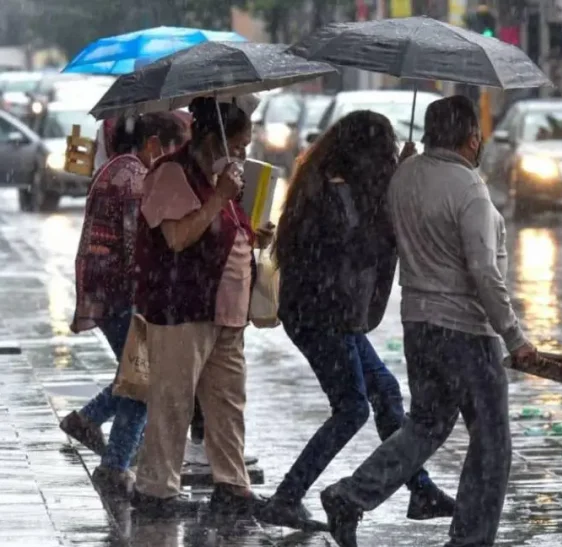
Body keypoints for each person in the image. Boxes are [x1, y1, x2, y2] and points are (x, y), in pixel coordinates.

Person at [318, 96, 538, 547]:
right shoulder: (469, 188)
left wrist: (404, 168)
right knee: (492, 443)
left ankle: (351, 495)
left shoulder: (404, 178)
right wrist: (514, 336)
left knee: (426, 426)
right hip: (467, 331)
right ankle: (470, 539)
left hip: (419, 326)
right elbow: (483, 270)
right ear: (472, 138)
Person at [259, 110, 455, 529]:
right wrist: (393, 192)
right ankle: (288, 496)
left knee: (384, 391)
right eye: (383, 150)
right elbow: (358, 249)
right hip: (320, 316)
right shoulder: (331, 192)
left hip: (331, 314)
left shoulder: (339, 184)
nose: (386, 158)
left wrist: (397, 180)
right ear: (364, 152)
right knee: (351, 409)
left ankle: (419, 491)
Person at [131, 96, 273, 517]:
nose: (244, 154)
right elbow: (178, 237)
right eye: (240, 145)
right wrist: (221, 196)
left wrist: (252, 236)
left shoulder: (220, 178)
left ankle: (231, 484)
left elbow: (221, 230)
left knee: (227, 403)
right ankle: (156, 489)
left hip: (226, 313)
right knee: (173, 401)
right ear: (214, 138)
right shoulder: (172, 174)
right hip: (182, 307)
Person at [63, 113, 187, 495]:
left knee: (136, 373)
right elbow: (138, 247)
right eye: (169, 149)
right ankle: (114, 463)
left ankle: (88, 420)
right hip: (121, 293)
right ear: (152, 143)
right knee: (143, 379)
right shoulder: (133, 177)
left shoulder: (115, 168)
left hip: (106, 291)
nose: (170, 158)